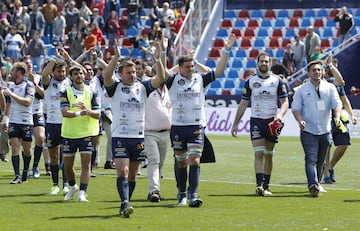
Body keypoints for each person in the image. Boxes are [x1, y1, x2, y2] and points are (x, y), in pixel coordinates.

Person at [159, 33, 235, 207]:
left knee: (194, 159)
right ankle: (181, 192)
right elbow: (162, 72)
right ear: (180, 67)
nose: (191, 69)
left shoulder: (200, 79)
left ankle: (193, 194)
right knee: (181, 161)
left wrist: (227, 50)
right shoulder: (172, 80)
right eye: (187, 67)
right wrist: (163, 52)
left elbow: (219, 71)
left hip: (196, 126)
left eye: (192, 66)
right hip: (178, 127)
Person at [103, 38, 166, 217]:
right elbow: (106, 76)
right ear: (121, 74)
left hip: (138, 137)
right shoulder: (114, 88)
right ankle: (124, 202)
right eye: (128, 72)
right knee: (122, 170)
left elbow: (161, 78)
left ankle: (125, 204)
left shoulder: (143, 87)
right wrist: (115, 57)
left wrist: (159, 57)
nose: (132, 74)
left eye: (133, 72)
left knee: (132, 175)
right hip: (120, 136)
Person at [231, 52, 289, 196]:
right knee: (259, 153)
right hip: (256, 121)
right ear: (257, 64)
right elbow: (243, 104)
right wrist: (235, 124)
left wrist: (279, 116)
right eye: (261, 61)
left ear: (270, 64)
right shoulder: (250, 82)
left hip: (272, 121)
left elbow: (285, 102)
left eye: (266, 61)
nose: (264, 64)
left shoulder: (277, 81)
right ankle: (259, 185)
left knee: (269, 154)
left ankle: (266, 185)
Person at [291, 60, 342, 197]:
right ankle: (312, 184)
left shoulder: (330, 88)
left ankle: (317, 184)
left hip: (325, 131)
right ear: (308, 73)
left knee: (321, 161)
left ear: (323, 71)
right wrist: (300, 120)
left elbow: (337, 104)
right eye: (314, 70)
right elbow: (295, 108)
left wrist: (337, 117)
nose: (317, 72)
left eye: (319, 70)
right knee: (311, 158)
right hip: (308, 130)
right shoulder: (301, 90)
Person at [61, 65, 100, 202]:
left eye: (81, 73)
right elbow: (64, 112)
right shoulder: (66, 91)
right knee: (67, 166)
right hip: (69, 134)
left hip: (86, 133)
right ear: (71, 76)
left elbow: (97, 113)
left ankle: (83, 192)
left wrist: (88, 111)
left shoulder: (91, 91)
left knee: (86, 165)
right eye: (76, 74)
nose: (79, 76)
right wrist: (80, 113)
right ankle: (72, 187)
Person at [322, 57, 357, 184]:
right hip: (323, 117)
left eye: (336, 67)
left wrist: (351, 114)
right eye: (331, 67)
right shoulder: (320, 80)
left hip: (338, 118)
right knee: (326, 145)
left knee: (344, 143)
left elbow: (344, 99)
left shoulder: (335, 83)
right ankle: (325, 172)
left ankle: (330, 166)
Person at [42, 52, 72, 195]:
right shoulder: (48, 83)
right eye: (59, 71)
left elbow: (81, 71)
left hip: (67, 123)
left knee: (66, 155)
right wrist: (54, 59)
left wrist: (67, 59)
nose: (62, 73)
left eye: (63, 71)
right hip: (52, 123)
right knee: (53, 155)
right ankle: (55, 185)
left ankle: (66, 183)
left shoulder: (69, 82)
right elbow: (44, 74)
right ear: (54, 71)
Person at [2, 62, 35, 184]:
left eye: (13, 70)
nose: (11, 73)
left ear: (19, 72)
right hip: (14, 121)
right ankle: (17, 176)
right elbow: (9, 103)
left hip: (26, 121)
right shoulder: (10, 85)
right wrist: (6, 119)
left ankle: (25, 171)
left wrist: (12, 94)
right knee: (14, 146)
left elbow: (27, 102)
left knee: (27, 150)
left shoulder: (29, 85)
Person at [145, 65, 172, 202]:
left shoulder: (169, 90)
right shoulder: (146, 88)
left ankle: (157, 190)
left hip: (166, 133)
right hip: (150, 132)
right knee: (154, 160)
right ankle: (153, 190)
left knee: (160, 163)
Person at [21, 55, 51, 178]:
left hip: (37, 112)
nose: (29, 65)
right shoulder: (18, 79)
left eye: (30, 63)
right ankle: (26, 168)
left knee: (40, 138)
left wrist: (33, 82)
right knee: (26, 146)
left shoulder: (38, 77)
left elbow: (44, 94)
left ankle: (35, 166)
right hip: (23, 114)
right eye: (26, 63)